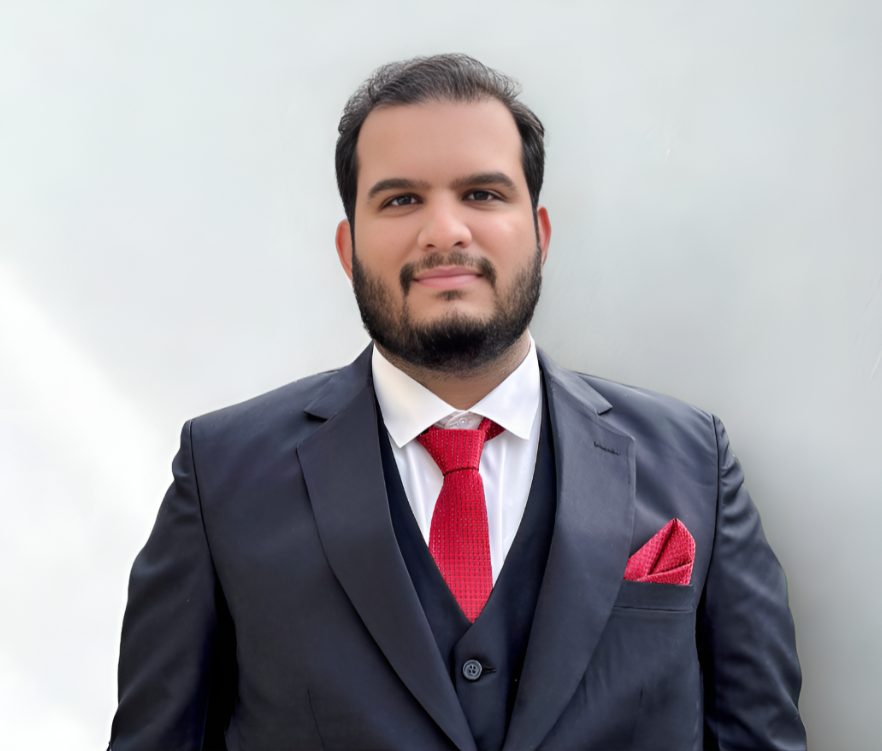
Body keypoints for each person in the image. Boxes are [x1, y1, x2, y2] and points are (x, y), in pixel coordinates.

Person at [108, 54, 806, 751]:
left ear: (541, 235)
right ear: (349, 250)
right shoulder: (221, 476)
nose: (445, 231)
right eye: (400, 200)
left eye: (482, 193)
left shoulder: (694, 462)